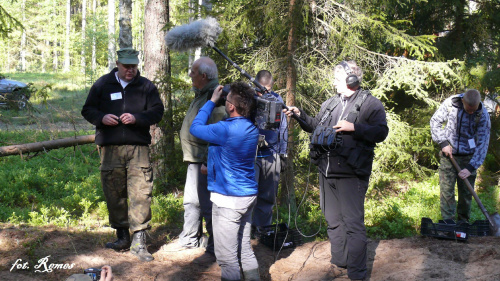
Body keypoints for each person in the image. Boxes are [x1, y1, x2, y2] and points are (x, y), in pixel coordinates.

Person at [284, 60, 388, 280]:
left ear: (352, 79)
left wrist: (355, 127)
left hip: (352, 173)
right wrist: (299, 115)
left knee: (353, 224)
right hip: (326, 171)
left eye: (337, 79)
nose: (333, 83)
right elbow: (316, 126)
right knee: (333, 220)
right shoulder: (330, 103)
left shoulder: (371, 104)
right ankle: (339, 263)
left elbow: (381, 132)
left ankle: (358, 273)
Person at [81, 47, 164, 262]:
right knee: (114, 191)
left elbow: (157, 111)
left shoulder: (146, 86)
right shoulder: (102, 84)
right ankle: (122, 236)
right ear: (117, 64)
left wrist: (137, 118)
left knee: (141, 192)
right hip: (110, 148)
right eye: (126, 66)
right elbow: (87, 109)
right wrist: (101, 118)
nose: (131, 70)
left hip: (138, 148)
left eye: (134, 66)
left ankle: (139, 241)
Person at [190, 82, 260, 281]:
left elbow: (195, 128)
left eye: (226, 101)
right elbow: (230, 154)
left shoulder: (224, 129)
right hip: (247, 196)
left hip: (228, 200)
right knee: (244, 249)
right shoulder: (251, 128)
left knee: (227, 259)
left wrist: (212, 101)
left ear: (230, 107)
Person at [176, 57, 225, 256]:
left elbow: (216, 133)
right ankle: (190, 238)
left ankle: (216, 246)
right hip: (195, 159)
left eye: (193, 72)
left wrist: (206, 160)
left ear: (204, 76)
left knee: (208, 204)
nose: (190, 75)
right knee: (192, 200)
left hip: (205, 161)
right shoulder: (203, 93)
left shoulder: (216, 98)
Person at [430, 89, 491, 222]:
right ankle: (448, 223)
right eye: (468, 109)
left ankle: (463, 224)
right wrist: (443, 142)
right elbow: (435, 121)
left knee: (466, 194)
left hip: (469, 157)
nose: (471, 112)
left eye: (473, 110)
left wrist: (470, 167)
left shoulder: (483, 115)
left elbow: (483, 143)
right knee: (446, 192)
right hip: (448, 155)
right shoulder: (450, 104)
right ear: (463, 101)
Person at [252, 70, 288, 234]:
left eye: (268, 89)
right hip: (251, 156)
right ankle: (247, 231)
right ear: (256, 86)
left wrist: (283, 153)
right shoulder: (249, 99)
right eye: (262, 89)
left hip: (271, 154)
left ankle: (263, 230)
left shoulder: (277, 100)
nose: (265, 93)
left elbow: (283, 128)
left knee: (267, 197)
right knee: (249, 196)